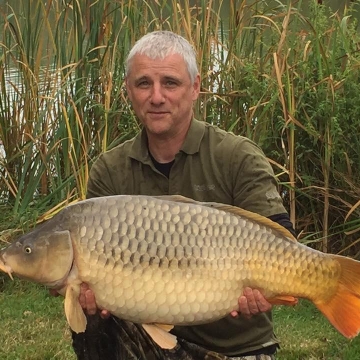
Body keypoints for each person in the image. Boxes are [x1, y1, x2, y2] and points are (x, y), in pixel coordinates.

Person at [71, 31, 296, 360]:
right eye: (144, 83)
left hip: (236, 347)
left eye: (171, 83)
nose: (157, 97)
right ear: (128, 91)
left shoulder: (237, 156)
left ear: (195, 88)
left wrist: (270, 290)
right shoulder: (110, 169)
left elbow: (283, 240)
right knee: (92, 322)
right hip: (145, 338)